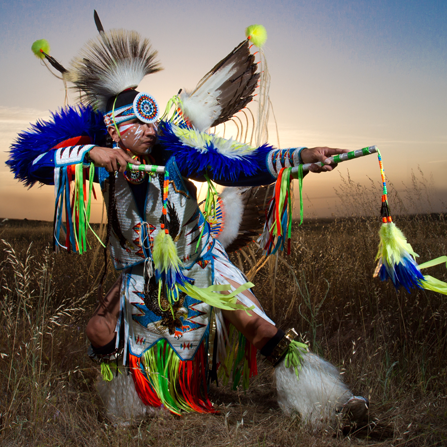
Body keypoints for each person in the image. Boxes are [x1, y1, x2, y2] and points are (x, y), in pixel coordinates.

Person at [8, 24, 368, 425]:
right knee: (99, 331)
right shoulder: (101, 163)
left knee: (259, 329)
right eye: (136, 126)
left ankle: (330, 406)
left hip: (199, 262)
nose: (148, 131)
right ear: (112, 131)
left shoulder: (176, 151)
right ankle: (132, 406)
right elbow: (27, 160)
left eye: (151, 123)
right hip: (141, 273)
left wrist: (302, 155)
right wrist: (90, 152)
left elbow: (239, 164)